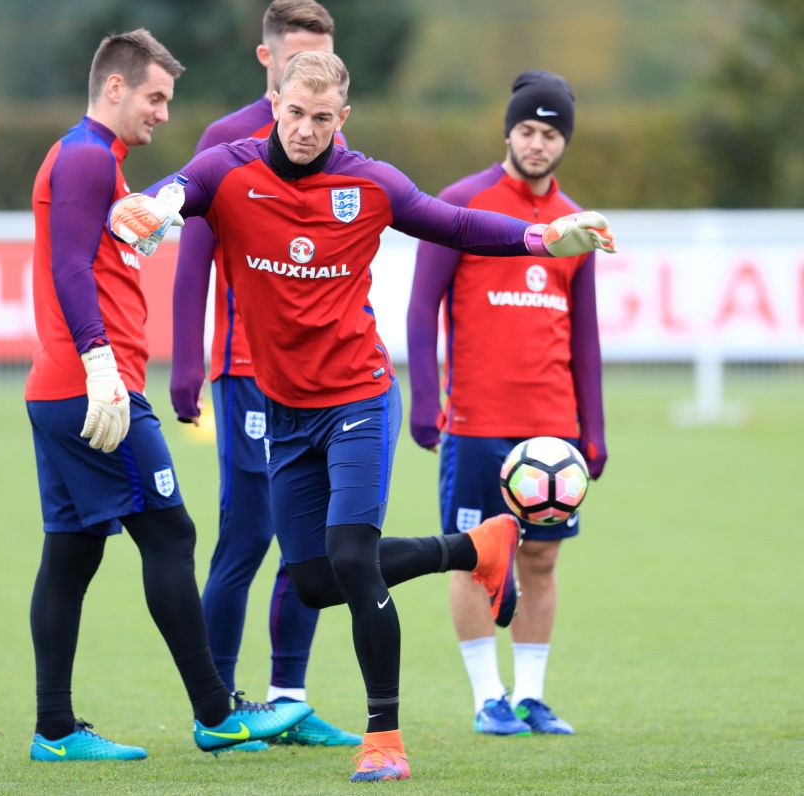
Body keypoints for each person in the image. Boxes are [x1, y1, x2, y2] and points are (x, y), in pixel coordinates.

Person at [110, 51, 614, 782]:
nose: (307, 130)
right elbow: (174, 192)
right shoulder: (229, 168)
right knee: (312, 581)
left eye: (323, 118)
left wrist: (541, 237)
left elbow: (457, 225)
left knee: (350, 557)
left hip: (358, 398)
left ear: (341, 118)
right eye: (295, 113)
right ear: (275, 102)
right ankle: (475, 548)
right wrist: (149, 208)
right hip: (284, 411)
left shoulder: (370, 183)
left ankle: (385, 738)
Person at [23, 28, 311, 763]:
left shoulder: (93, 160)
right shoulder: (87, 157)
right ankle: (217, 712)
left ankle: (54, 730)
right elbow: (68, 271)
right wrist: (99, 365)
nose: (161, 113)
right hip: (97, 388)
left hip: (60, 388)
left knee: (72, 553)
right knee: (172, 534)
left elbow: (94, 255)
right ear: (114, 87)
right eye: (154, 97)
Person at [172, 0, 358, 749]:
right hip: (246, 371)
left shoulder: (332, 143)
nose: (307, 77)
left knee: (304, 542)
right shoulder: (226, 140)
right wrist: (187, 362)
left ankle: (287, 701)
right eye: (295, 59)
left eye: (324, 57)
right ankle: (216, 709)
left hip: (319, 377)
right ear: (267, 61)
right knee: (246, 537)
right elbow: (191, 262)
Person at [406, 70, 608, 737]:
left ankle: (530, 696)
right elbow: (421, 304)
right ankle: (486, 697)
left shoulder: (574, 226)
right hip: (475, 424)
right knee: (473, 555)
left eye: (550, 134)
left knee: (541, 561)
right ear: (507, 132)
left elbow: (585, 334)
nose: (537, 143)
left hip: (552, 431)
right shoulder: (463, 203)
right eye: (526, 129)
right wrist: (426, 400)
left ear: (564, 142)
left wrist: (594, 430)